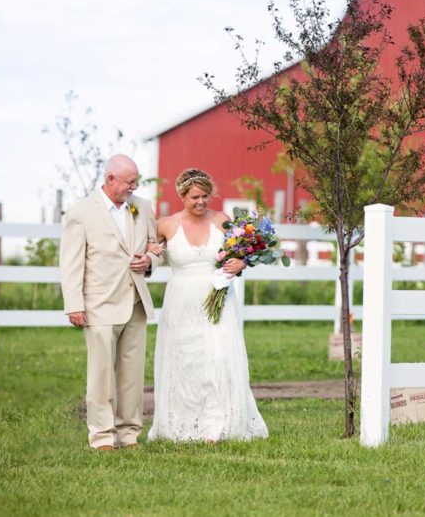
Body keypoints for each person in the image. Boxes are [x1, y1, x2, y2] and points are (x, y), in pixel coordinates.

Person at [147, 168, 268, 442]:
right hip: (181, 302)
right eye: (194, 197)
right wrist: (151, 249)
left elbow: (242, 252)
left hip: (218, 297)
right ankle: (182, 424)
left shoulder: (222, 221)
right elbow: (148, 249)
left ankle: (219, 424)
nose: (201, 202)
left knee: (218, 356)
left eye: (205, 196)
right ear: (182, 196)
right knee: (186, 361)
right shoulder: (165, 224)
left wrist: (242, 263)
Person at [59, 154, 162, 451]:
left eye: (137, 180)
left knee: (131, 375)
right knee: (102, 374)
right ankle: (102, 436)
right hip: (99, 304)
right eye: (130, 181)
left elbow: (156, 246)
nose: (135, 186)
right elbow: (71, 262)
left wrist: (150, 260)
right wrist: (74, 303)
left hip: (135, 302)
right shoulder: (81, 212)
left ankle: (129, 434)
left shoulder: (142, 207)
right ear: (110, 180)